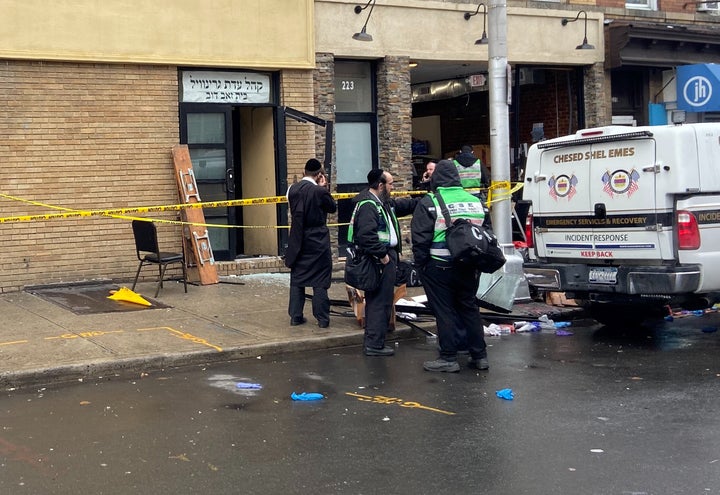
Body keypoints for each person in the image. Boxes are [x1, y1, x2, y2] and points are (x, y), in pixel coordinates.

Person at [410, 160, 489, 372]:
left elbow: (420, 238)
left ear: (437, 178)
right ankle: (479, 356)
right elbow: (486, 233)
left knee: (444, 311)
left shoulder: (430, 201)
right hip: (469, 266)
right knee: (470, 308)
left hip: (439, 266)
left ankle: (448, 357)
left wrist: (422, 265)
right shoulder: (475, 201)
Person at [348, 169, 418, 356]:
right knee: (379, 301)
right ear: (380, 186)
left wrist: (424, 200)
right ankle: (374, 344)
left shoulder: (381, 203)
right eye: (391, 183)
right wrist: (383, 256)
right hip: (378, 261)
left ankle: (376, 341)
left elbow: (402, 206)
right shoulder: (369, 206)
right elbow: (366, 236)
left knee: (382, 300)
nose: (393, 187)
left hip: (383, 259)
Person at [285, 158, 337, 328]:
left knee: (298, 278)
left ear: (303, 172)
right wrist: (324, 188)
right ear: (319, 175)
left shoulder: (292, 190)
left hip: (298, 237)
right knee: (320, 279)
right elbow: (332, 207)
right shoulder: (319, 192)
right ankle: (322, 318)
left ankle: (295, 316)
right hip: (318, 239)